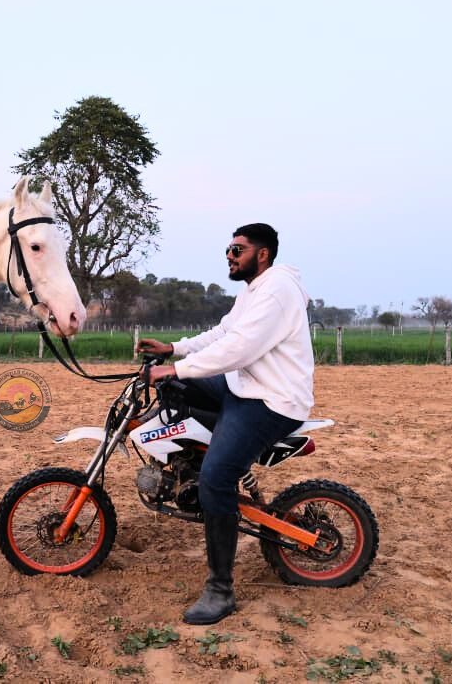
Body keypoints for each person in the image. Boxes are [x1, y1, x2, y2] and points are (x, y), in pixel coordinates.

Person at [137, 223, 314, 625]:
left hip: (271, 400)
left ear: (262, 254)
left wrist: (172, 369)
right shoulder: (254, 291)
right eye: (228, 249)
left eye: (237, 249)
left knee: (218, 479)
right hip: (244, 387)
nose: (230, 256)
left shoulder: (278, 291)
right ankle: (195, 462)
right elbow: (223, 332)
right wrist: (174, 350)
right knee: (179, 386)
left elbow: (237, 349)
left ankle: (221, 589)